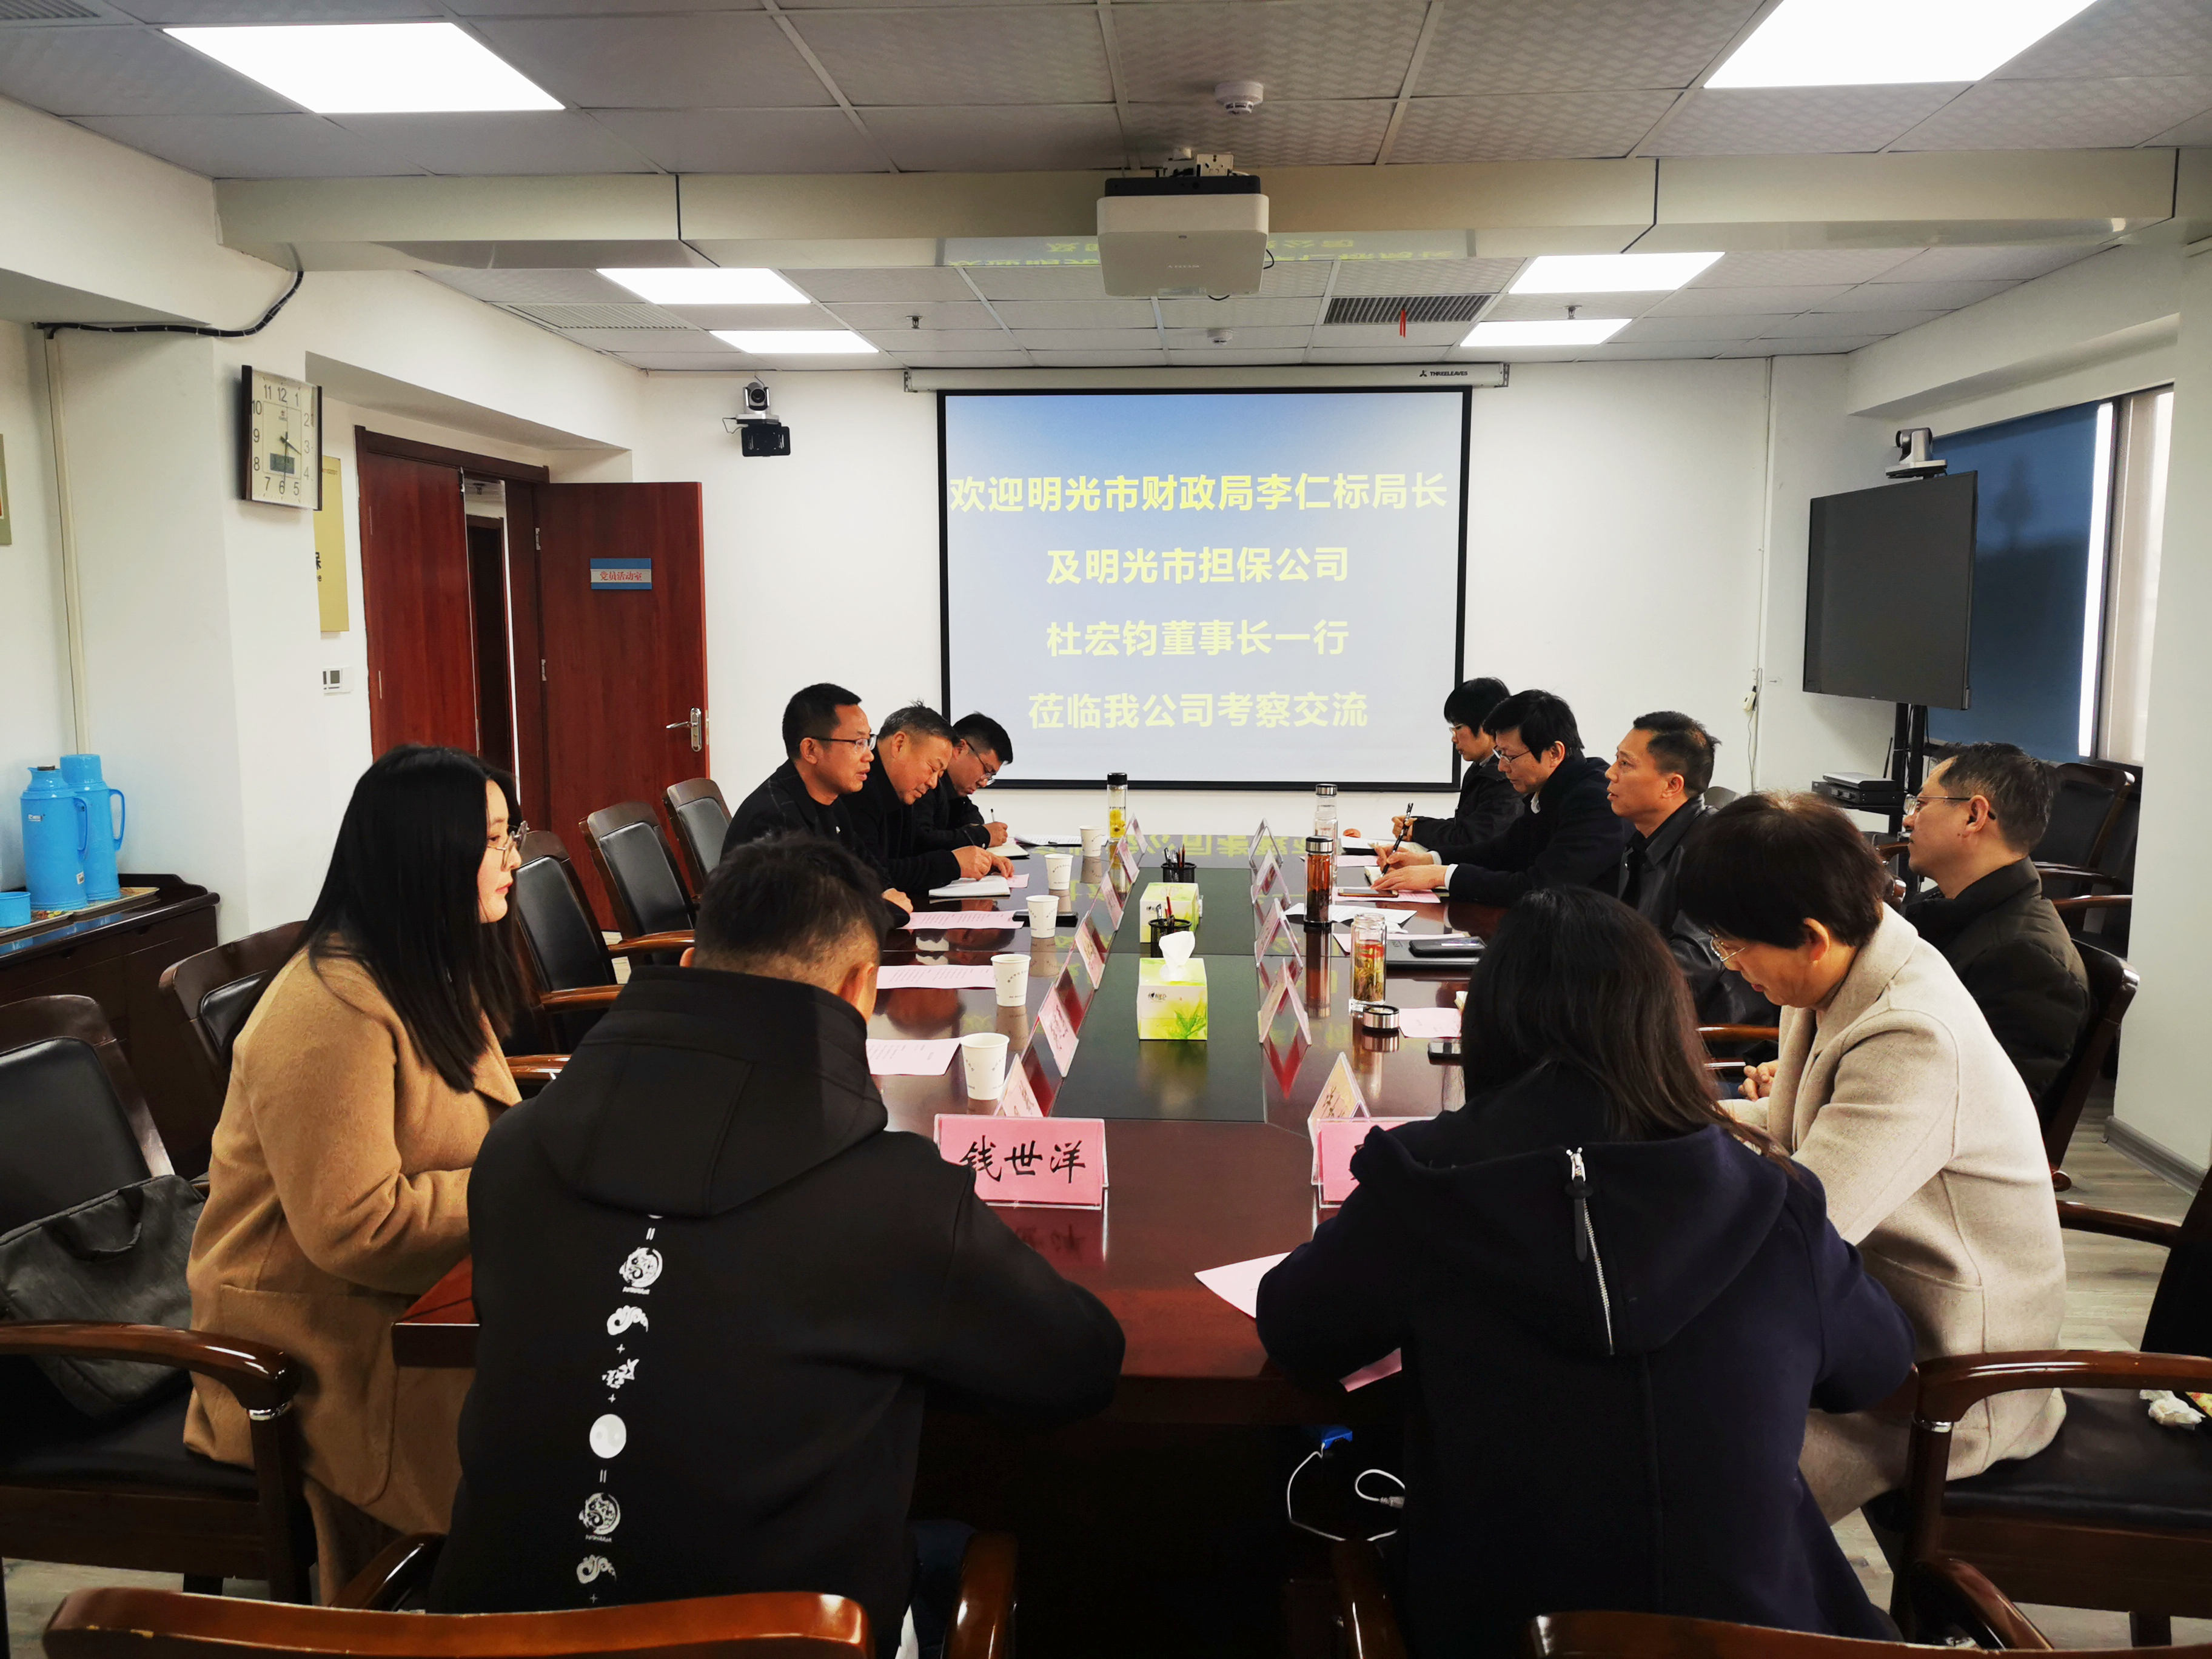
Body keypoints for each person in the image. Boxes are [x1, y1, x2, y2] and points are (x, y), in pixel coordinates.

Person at [429, 835, 1125, 1648]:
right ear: (860, 988)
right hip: (794, 1637)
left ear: (689, 964)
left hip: (486, 1638)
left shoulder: (513, 1153)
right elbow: (1079, 1365)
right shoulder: (893, 1196)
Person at [1255, 887, 1913, 1657]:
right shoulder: (1771, 1196)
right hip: (1756, 1633)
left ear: (1489, 1025)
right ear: (1664, 1025)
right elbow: (1875, 1367)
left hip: (1497, 1633)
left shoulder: (1430, 1181)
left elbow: (1297, 1332)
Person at [185, 745, 525, 1597]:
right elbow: (359, 1228)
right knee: (547, 1425)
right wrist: (524, 1188)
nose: (514, 858)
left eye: (508, 834)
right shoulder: (330, 1008)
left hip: (405, 1295)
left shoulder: (424, 965)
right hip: (306, 1337)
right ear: (426, 855)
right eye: (493, 840)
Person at [1675, 793, 2067, 1520]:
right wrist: (1665, 1119)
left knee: (1688, 1456)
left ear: (1811, 937)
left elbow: (1801, 1236)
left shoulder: (1912, 1032)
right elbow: (1795, 1127)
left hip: (1945, 1378)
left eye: (1733, 947)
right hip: (1872, 1310)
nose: (1731, 965)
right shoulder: (1845, 959)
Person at [1903, 744, 2090, 1102]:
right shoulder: (1947, 906)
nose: (1909, 820)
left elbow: (1984, 1109)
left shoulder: (2027, 963)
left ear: (1974, 816)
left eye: (1922, 805)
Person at [1372, 689, 1630, 905]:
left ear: (1554, 753)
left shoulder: (1593, 800)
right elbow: (1503, 851)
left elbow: (1540, 888)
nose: (1503, 767)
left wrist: (1442, 876)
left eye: (1510, 756)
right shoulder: (1552, 787)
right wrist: (1430, 860)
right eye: (1499, 755)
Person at [1604, 712, 1778, 1027]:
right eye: (1617, 760)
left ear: (1672, 785)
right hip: (1652, 1013)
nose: (1610, 773)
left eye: (1625, 764)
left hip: (1711, 1030)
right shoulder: (1641, 840)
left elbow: (1694, 965)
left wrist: (1597, 986)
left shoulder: (1717, 850)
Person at [722, 682, 914, 912]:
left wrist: (886, 893)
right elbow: (809, 914)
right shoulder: (775, 819)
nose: (869, 756)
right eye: (858, 743)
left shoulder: (832, 802)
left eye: (868, 741)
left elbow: (867, 870)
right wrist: (887, 909)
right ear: (811, 750)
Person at [848, 702, 1009, 895]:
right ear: (899, 745)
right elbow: (872, 876)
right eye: (932, 769)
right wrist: (954, 863)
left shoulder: (904, 789)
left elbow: (908, 857)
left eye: (940, 774)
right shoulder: (859, 788)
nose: (933, 783)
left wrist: (973, 857)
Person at [1387, 677, 1519, 853]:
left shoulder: (1505, 776)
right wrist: (1417, 826)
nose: (1454, 738)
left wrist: (1419, 830)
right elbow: (1466, 826)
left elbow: (1474, 840)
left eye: (1458, 727)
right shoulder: (1479, 769)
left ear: (1485, 725)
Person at [915, 712, 1013, 852]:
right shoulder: (926, 783)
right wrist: (982, 835)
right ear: (960, 749)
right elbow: (922, 840)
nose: (984, 783)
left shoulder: (954, 790)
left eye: (990, 776)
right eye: (986, 770)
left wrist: (977, 830)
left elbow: (970, 814)